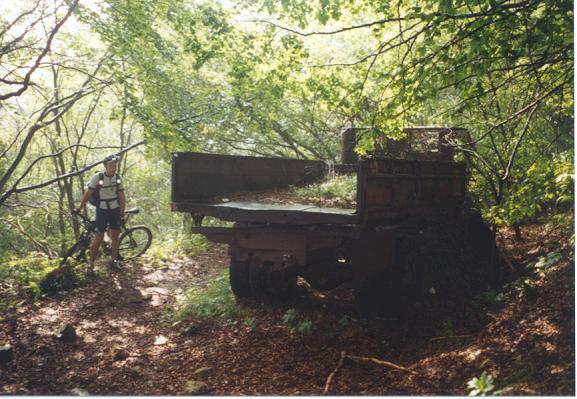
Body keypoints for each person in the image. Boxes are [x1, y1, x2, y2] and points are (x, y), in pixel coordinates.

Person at [76, 154, 126, 273]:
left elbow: (122, 196)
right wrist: (79, 208)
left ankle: (114, 261)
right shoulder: (97, 177)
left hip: (115, 209)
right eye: (110, 165)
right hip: (102, 210)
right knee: (98, 238)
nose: (113, 167)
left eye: (115, 165)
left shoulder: (118, 178)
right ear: (105, 166)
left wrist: (122, 211)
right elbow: (88, 194)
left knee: (115, 236)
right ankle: (91, 265)